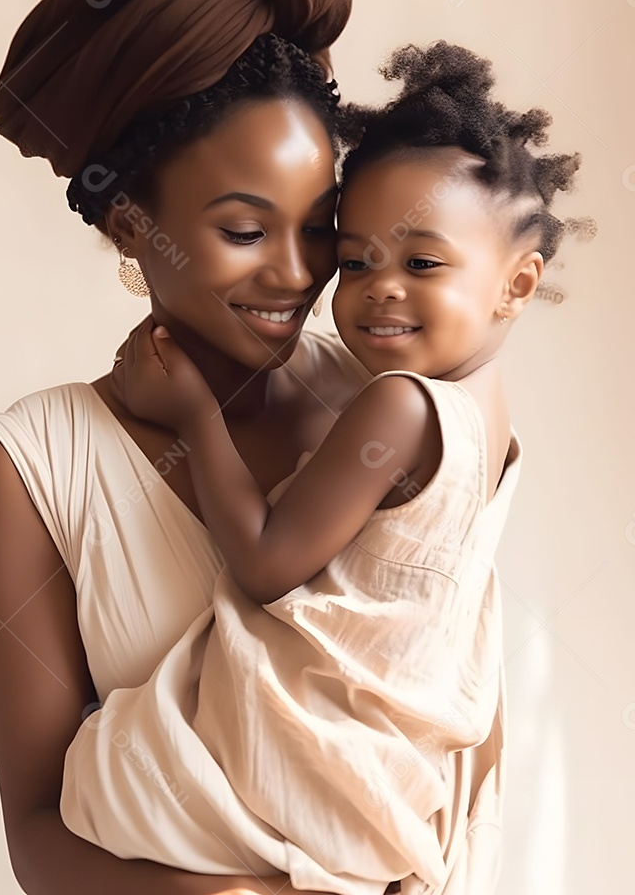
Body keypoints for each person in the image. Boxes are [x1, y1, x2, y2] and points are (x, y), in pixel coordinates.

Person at [57, 43, 591, 894]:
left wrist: (195, 416)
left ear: (517, 284)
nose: (380, 288)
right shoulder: (490, 420)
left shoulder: (398, 406)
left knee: (102, 781)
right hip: (392, 797)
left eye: (421, 263)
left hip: (312, 761)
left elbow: (267, 564)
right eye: (355, 260)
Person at [0, 0, 368, 895]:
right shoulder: (33, 466)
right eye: (244, 231)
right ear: (128, 224)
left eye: (319, 226)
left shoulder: (377, 406)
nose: (298, 274)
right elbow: (37, 833)